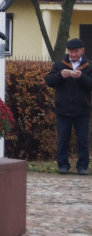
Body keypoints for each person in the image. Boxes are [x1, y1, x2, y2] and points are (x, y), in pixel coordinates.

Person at [44, 38, 92, 175]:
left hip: (82, 109)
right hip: (63, 109)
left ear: (82, 51)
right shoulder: (60, 64)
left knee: (83, 140)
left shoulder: (89, 65)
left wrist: (82, 77)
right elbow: (49, 81)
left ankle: (82, 166)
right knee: (63, 139)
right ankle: (63, 165)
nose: (73, 54)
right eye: (71, 51)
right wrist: (60, 75)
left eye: (76, 51)